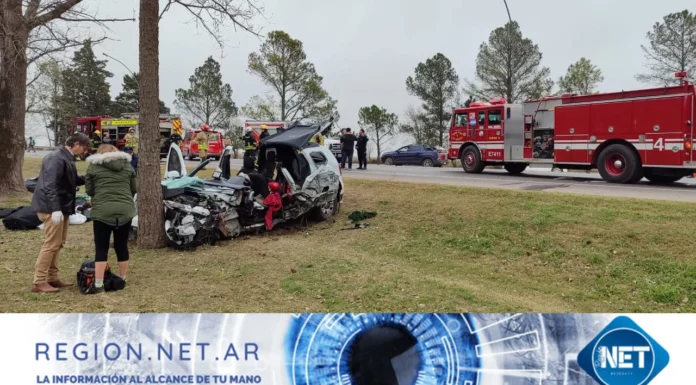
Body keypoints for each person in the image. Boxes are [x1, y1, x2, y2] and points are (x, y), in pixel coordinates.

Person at [30, 133, 90, 293]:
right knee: (50, 244)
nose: (85, 151)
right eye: (85, 147)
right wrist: (55, 208)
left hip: (62, 207)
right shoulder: (56, 158)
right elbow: (49, 185)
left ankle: (52, 278)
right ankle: (39, 281)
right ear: (77, 144)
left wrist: (91, 177)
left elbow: (73, 179)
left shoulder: (67, 157)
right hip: (51, 208)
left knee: (58, 243)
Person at [85, 144, 137, 293]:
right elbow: (134, 188)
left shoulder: (93, 167)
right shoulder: (127, 166)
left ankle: (99, 284)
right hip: (125, 210)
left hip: (102, 211)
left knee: (102, 247)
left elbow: (89, 190)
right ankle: (122, 278)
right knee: (122, 245)